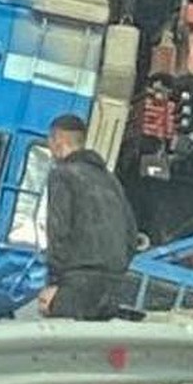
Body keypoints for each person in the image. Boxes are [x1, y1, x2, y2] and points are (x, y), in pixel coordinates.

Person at [37, 113, 138, 320]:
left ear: (59, 140)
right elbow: (131, 234)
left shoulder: (63, 175)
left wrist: (55, 283)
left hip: (76, 284)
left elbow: (59, 230)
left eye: (50, 139)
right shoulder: (110, 180)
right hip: (113, 285)